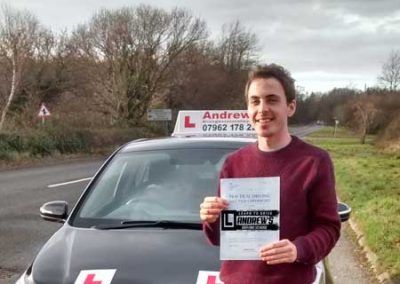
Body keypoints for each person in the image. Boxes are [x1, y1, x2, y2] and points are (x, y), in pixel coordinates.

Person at [199, 64, 341, 284]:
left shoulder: (314, 162)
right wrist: (211, 219)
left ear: (290, 107)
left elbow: (329, 228)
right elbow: (218, 238)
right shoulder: (233, 163)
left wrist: (298, 249)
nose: (262, 109)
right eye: (255, 101)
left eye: (272, 99)